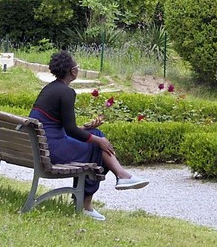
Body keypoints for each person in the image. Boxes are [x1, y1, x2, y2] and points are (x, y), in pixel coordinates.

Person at [30, 50, 149, 219]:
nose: (78, 68)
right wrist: (98, 141)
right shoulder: (66, 92)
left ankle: (121, 176)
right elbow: (70, 130)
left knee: (96, 134)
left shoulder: (50, 89)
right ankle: (87, 203)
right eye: (77, 66)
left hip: (41, 144)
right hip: (51, 149)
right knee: (96, 146)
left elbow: (60, 126)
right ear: (72, 71)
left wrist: (87, 131)